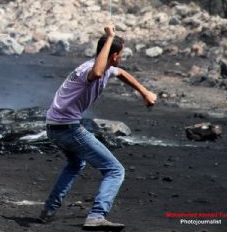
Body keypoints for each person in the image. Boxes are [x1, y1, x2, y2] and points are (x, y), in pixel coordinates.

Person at [40, 23, 157, 231]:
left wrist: (144, 92)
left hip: (54, 127)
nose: (121, 59)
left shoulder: (105, 67)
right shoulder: (91, 69)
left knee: (75, 164)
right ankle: (96, 216)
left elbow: (120, 73)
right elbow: (97, 72)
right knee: (115, 170)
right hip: (68, 129)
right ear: (114, 55)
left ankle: (49, 209)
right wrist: (110, 37)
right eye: (120, 55)